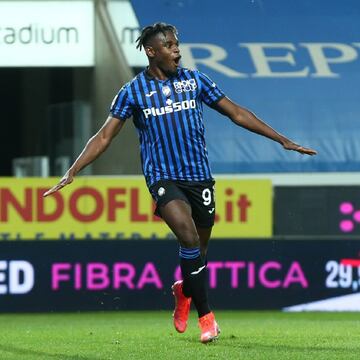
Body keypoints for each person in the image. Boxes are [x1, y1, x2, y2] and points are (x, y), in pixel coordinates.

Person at [44, 22, 317, 344]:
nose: (177, 50)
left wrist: (281, 139)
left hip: (199, 177)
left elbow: (237, 113)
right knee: (187, 239)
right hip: (163, 178)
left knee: (198, 253)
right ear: (151, 51)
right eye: (170, 45)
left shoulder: (194, 80)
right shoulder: (132, 92)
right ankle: (207, 318)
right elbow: (105, 136)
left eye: (177, 44)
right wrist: (74, 169)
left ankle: (184, 290)